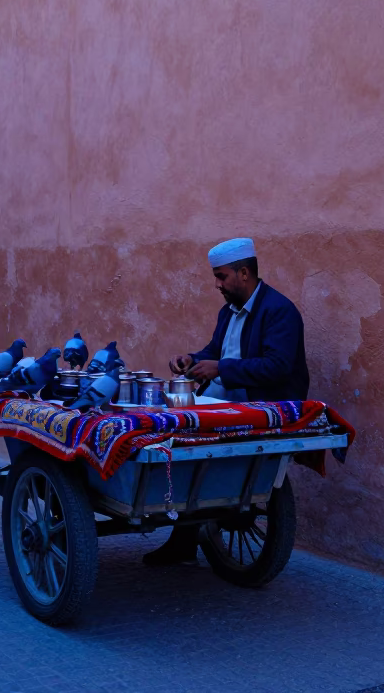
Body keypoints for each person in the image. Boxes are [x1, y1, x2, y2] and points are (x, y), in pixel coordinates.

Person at [144, 237, 311, 566]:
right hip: (229, 400)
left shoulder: (279, 312)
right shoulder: (228, 312)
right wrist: (192, 359)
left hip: (265, 405)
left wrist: (221, 368)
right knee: (178, 424)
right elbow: (216, 352)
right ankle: (183, 532)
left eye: (221, 277)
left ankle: (184, 536)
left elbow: (277, 367)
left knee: (193, 435)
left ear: (244, 273)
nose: (217, 284)